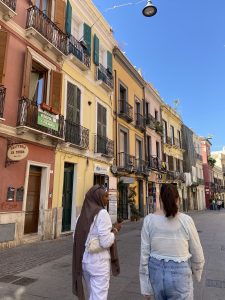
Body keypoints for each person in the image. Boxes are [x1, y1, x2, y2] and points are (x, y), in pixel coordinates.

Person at [139, 184, 205, 300]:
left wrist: (145, 287)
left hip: (155, 273)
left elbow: (144, 254)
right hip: (180, 273)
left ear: (160, 199)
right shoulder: (186, 220)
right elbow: (197, 250)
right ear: (178, 199)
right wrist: (197, 269)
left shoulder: (148, 220)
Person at [72, 185, 121, 300]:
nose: (107, 199)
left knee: (92, 295)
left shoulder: (81, 216)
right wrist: (115, 231)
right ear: (97, 198)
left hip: (85, 262)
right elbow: (105, 242)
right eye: (105, 196)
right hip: (99, 263)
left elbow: (75, 237)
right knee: (99, 296)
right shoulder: (102, 214)